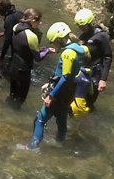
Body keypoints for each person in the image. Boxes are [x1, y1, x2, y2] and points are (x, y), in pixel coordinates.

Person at [23, 22, 87, 150]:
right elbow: (68, 74)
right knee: (61, 118)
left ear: (59, 39)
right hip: (69, 91)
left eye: (54, 42)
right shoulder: (79, 49)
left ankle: (32, 148)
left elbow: (65, 77)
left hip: (59, 93)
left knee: (40, 119)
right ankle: (59, 142)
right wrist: (49, 82)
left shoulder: (67, 53)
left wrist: (51, 96)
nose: (54, 46)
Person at [7, 8, 54, 107]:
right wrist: (47, 51)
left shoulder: (17, 27)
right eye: (39, 21)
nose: (39, 23)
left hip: (13, 66)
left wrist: (39, 50)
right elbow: (38, 58)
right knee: (20, 99)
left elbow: (22, 47)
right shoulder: (31, 35)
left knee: (12, 95)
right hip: (23, 71)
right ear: (33, 21)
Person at [73, 9, 113, 108]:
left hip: (96, 73)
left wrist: (103, 79)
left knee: (89, 102)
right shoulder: (83, 36)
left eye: (82, 26)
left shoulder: (101, 36)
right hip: (84, 71)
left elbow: (108, 57)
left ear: (89, 23)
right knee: (77, 98)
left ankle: (89, 120)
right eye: (79, 26)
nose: (80, 28)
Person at [0, 0, 25, 67]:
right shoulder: (19, 13)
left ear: (2, 10)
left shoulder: (9, 19)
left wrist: (1, 58)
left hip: (21, 42)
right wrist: (5, 32)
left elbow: (7, 40)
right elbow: (16, 26)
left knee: (15, 60)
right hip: (28, 39)